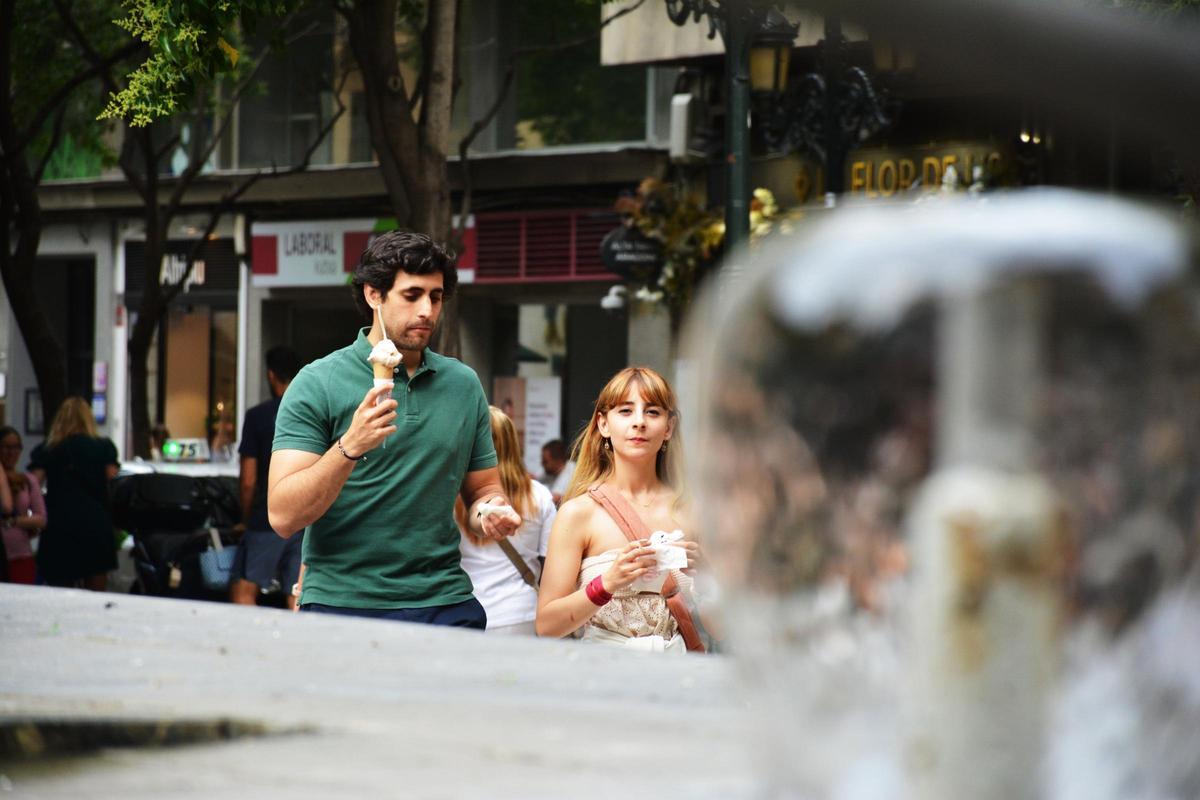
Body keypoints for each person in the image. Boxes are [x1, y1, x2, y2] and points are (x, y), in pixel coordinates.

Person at [268, 231, 522, 627]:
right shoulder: (317, 381)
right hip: (344, 603)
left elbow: (483, 491)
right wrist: (349, 446)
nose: (427, 310)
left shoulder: (463, 383)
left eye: (436, 297)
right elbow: (283, 515)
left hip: (445, 599)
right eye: (412, 295)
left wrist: (491, 512)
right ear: (374, 295)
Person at [535, 367, 704, 653]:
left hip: (678, 677)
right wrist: (608, 582)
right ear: (603, 424)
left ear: (669, 427)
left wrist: (706, 576)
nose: (639, 422)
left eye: (652, 412)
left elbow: (722, 629)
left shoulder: (692, 509)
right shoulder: (578, 513)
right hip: (601, 676)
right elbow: (547, 626)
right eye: (625, 411)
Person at [458, 406, 557, 635]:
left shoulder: (455, 495)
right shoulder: (539, 495)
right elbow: (550, 563)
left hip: (465, 609)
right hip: (520, 611)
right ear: (513, 444)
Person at [231, 346, 304, 609]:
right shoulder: (312, 411)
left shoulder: (258, 417)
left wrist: (245, 518)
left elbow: (249, 480)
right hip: (305, 517)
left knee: (244, 589)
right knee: (297, 593)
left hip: (268, 517)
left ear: (271, 375)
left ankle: (244, 648)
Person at [36, 397, 119, 591]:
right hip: (95, 523)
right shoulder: (103, 446)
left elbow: (34, 482)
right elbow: (113, 480)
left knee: (60, 589)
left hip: (59, 523)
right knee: (95, 590)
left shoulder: (49, 449)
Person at [0, 426, 47, 584]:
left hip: (21, 554)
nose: (11, 452)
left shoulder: (28, 480)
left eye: (16, 447)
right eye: (6, 447)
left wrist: (14, 521)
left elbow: (41, 518)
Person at [539, 439, 575, 506]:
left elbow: (555, 498)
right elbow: (535, 477)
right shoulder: (552, 471)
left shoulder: (570, 472)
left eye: (545, 461)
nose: (541, 463)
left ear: (557, 461)